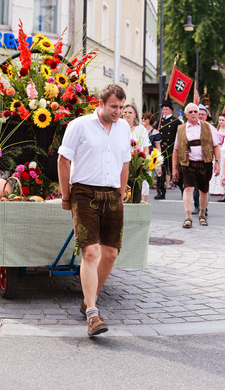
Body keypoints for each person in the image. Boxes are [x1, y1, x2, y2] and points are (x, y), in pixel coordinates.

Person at [57, 84, 131, 336]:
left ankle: (89, 298)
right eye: (113, 107)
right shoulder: (79, 125)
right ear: (100, 103)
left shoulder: (124, 127)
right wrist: (66, 195)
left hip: (112, 195)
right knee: (90, 252)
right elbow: (63, 160)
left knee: (110, 254)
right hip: (84, 193)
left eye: (121, 107)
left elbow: (125, 162)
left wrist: (121, 192)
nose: (118, 112)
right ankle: (92, 314)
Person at [172, 103, 221, 229]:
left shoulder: (208, 127)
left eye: (195, 111)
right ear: (186, 114)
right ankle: (188, 217)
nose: (193, 114)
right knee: (188, 189)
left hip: (205, 163)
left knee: (203, 190)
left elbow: (216, 146)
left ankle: (202, 214)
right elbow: (176, 150)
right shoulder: (181, 129)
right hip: (187, 164)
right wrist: (174, 169)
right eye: (191, 112)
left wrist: (217, 163)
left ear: (199, 114)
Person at [192, 104, 223, 213]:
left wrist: (217, 162)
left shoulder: (211, 128)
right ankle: (197, 206)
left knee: (204, 186)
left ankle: (203, 208)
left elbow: (218, 143)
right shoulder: (190, 127)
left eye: (202, 114)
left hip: (206, 161)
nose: (200, 116)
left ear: (206, 116)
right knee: (195, 186)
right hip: (193, 161)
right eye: (198, 114)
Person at [155, 100, 182, 200]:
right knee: (160, 172)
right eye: (163, 109)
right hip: (161, 149)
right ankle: (161, 191)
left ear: (171, 110)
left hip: (171, 150)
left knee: (174, 170)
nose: (165, 111)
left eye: (166, 109)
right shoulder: (159, 122)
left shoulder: (176, 121)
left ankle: (183, 189)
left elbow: (181, 133)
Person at [123, 104, 151, 202]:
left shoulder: (141, 129)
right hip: (122, 163)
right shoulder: (118, 127)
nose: (127, 114)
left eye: (130, 112)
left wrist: (144, 163)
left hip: (137, 163)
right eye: (125, 112)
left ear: (135, 115)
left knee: (140, 187)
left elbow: (145, 148)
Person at [209, 112, 225, 202]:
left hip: (224, 153)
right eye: (220, 120)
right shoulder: (216, 130)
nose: (221, 122)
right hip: (218, 154)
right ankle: (219, 191)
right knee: (217, 174)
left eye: (223, 120)